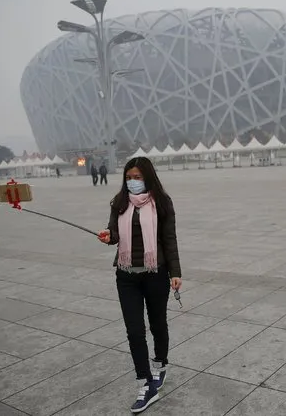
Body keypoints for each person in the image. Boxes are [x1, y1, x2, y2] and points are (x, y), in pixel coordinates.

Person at [97, 157, 182, 414]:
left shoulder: (162, 203)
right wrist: (109, 235)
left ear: (147, 177)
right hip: (126, 277)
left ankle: (160, 366)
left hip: (156, 273)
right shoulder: (119, 202)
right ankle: (146, 384)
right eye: (129, 177)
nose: (132, 182)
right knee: (135, 331)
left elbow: (169, 239)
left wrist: (176, 272)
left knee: (157, 324)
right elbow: (114, 232)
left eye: (137, 177)